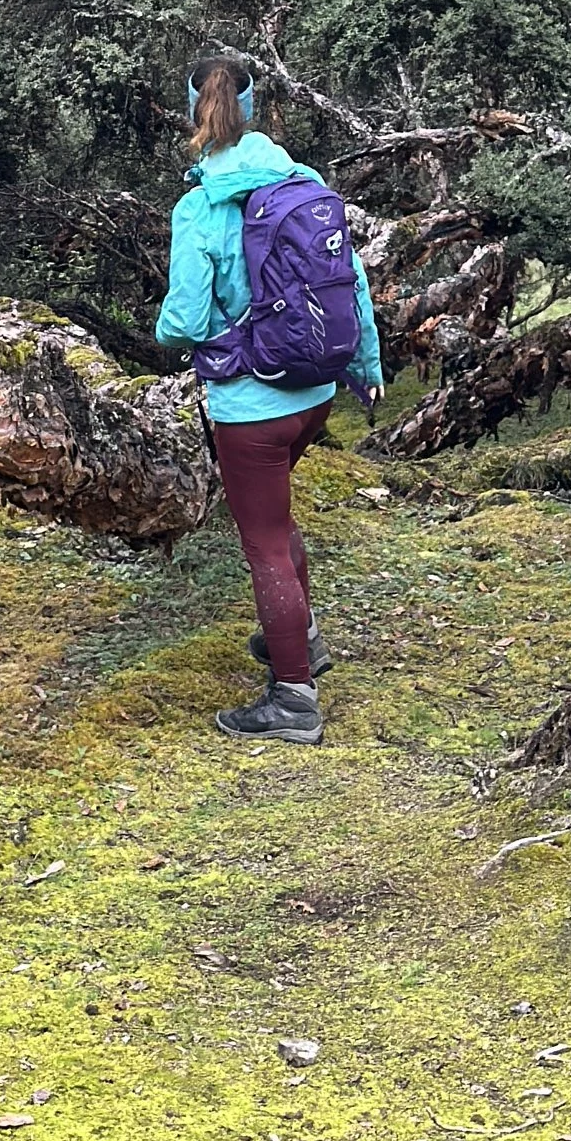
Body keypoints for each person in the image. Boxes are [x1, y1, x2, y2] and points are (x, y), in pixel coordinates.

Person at [155, 52, 382, 744]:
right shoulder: (303, 181)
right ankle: (301, 641)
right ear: (253, 110)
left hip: (251, 408)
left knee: (264, 545)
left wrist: (164, 328)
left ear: (196, 110)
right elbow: (354, 285)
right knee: (277, 524)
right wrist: (367, 367)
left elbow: (187, 321)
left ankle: (293, 699)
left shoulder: (199, 206)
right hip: (314, 394)